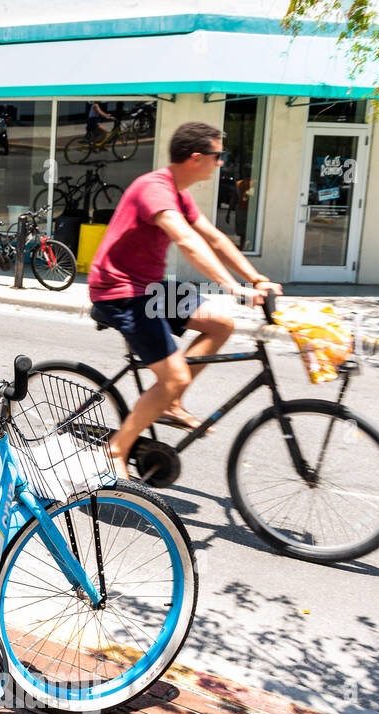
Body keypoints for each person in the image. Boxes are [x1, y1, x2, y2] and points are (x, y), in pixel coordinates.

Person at [88, 121, 281, 478]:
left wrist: (255, 278)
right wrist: (233, 287)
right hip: (121, 291)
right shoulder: (154, 189)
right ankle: (116, 449)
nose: (221, 163)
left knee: (221, 323)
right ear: (196, 158)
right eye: (218, 156)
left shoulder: (179, 193)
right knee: (173, 376)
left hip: (148, 287)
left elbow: (215, 239)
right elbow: (188, 242)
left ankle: (169, 402)